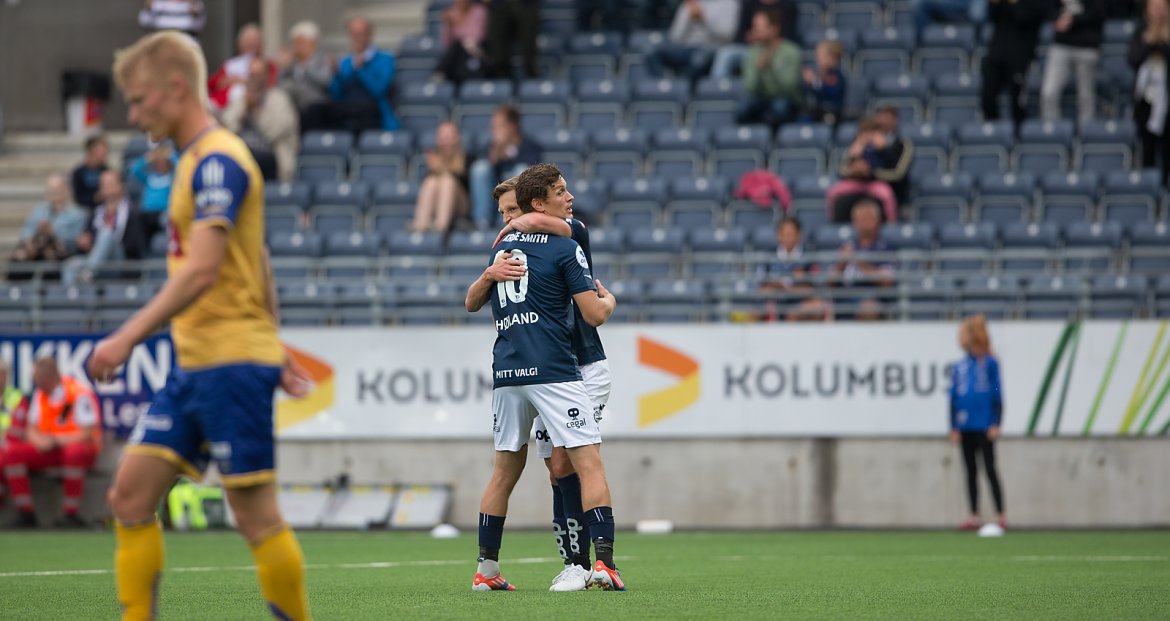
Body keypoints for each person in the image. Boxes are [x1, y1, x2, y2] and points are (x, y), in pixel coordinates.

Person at [90, 31, 311, 620]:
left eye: (139, 101)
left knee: (254, 515)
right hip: (199, 360)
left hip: (229, 360)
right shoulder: (194, 160)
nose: (133, 115)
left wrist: (124, 336)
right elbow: (256, 259)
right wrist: (276, 340)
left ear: (175, 88)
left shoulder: (218, 158)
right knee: (130, 495)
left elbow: (205, 270)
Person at [464, 163, 623, 592]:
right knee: (570, 466)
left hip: (555, 368)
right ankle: (589, 563)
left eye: (511, 210)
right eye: (501, 214)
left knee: (546, 465)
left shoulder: (544, 240)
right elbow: (472, 300)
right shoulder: (531, 252)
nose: (506, 221)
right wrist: (610, 303)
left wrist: (522, 226)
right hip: (554, 368)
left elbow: (552, 223)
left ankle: (555, 564)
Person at [0, 357, 101, 529]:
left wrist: (59, 440)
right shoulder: (40, 395)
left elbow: (88, 431)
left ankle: (71, 514)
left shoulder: (76, 392)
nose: (34, 381)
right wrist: (37, 440)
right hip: (50, 448)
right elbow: (30, 427)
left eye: (37, 377)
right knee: (11, 453)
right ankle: (26, 513)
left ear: (50, 377)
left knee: (73, 453)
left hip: (78, 448)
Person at [949, 314, 1006, 531]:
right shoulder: (960, 366)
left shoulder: (990, 363)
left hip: (985, 425)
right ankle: (974, 514)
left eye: (962, 333)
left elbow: (998, 393)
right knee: (970, 470)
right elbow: (953, 398)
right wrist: (953, 426)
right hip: (965, 426)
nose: (959, 337)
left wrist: (996, 421)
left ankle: (1001, 514)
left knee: (990, 468)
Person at [304, 17, 399, 134]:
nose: (357, 38)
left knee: (364, 109)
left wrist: (361, 70)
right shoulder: (345, 62)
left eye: (360, 34)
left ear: (370, 35)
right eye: (354, 34)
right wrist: (337, 75)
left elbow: (379, 91)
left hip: (373, 109)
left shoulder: (385, 59)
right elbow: (336, 96)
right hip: (348, 108)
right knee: (314, 110)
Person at [63, 171, 148, 285]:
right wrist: (84, 242)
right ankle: (71, 298)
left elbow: (134, 246)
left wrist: (104, 244)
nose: (108, 188)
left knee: (106, 234)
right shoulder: (95, 213)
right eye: (104, 185)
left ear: (122, 187)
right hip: (96, 261)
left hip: (121, 263)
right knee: (71, 265)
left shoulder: (133, 213)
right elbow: (87, 239)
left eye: (112, 184)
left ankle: (88, 273)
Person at [223, 57, 300, 182]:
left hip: (272, 159)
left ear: (267, 77)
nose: (254, 79)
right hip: (241, 157)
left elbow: (273, 132)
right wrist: (244, 112)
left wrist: (257, 111)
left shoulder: (280, 99)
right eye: (251, 75)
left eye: (258, 75)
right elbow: (226, 130)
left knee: (247, 158)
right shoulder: (242, 101)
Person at [469, 105, 543, 230]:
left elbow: (532, 169)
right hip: (493, 196)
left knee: (520, 171)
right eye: (493, 127)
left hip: (517, 200)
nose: (494, 131)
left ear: (512, 126)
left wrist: (510, 154)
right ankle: (482, 222)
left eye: (499, 126)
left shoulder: (529, 144)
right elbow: (483, 167)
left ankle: (506, 221)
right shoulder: (489, 145)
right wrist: (495, 156)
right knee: (480, 168)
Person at [980, 0, 1047, 129]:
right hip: (996, 54)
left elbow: (1024, 18)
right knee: (987, 99)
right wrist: (994, 4)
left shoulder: (1035, 3)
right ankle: (995, 131)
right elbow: (993, 17)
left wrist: (1014, 3)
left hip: (1020, 56)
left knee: (1017, 102)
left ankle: (1018, 136)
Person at [825, 117, 902, 224]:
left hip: (873, 182)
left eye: (872, 132)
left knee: (887, 195)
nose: (868, 136)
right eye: (865, 132)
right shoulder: (857, 146)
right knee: (832, 192)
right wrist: (855, 153)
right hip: (855, 182)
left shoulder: (882, 148)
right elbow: (844, 168)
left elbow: (886, 167)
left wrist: (871, 168)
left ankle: (892, 224)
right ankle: (832, 224)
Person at [1040, 0, 1105, 124]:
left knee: (1086, 98)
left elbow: (1098, 12)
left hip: (1087, 45)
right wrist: (1057, 19)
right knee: (1048, 93)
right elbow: (1049, 8)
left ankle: (1086, 136)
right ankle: (1054, 133)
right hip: (1061, 44)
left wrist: (1073, 20)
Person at [646, 0, 740, 84]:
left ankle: (685, 92)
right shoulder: (691, 2)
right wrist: (688, 17)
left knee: (698, 60)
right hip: (685, 48)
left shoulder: (729, 3)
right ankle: (666, 88)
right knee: (651, 51)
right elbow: (675, 37)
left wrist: (703, 19)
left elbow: (727, 36)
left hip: (711, 48)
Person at [831, 199, 895, 321]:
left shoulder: (885, 248)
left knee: (869, 308)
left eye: (867, 218)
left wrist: (856, 261)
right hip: (845, 295)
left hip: (872, 295)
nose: (863, 223)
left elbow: (886, 282)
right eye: (859, 219)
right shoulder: (847, 246)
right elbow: (830, 283)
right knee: (816, 308)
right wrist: (841, 264)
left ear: (877, 221)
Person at [737, 9, 802, 128]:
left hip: (785, 98)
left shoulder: (791, 51)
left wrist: (772, 69)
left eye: (761, 26)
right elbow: (750, 86)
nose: (756, 30)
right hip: (761, 97)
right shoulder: (753, 52)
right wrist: (758, 70)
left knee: (780, 107)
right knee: (743, 108)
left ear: (775, 28)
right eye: (755, 26)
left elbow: (790, 86)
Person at [1130, 0, 1170, 186]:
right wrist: (1149, 44)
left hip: (1167, 98)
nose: (1157, 11)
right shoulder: (1141, 32)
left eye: (1161, 7)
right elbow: (1133, 58)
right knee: (1147, 147)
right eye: (1154, 7)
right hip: (1146, 100)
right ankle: (1148, 187)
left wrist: (1161, 45)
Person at [758, 217, 829, 322]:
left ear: (798, 235)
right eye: (783, 234)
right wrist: (783, 285)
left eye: (790, 234)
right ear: (778, 235)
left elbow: (815, 288)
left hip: (801, 302)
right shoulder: (769, 256)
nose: (787, 238)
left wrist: (796, 283)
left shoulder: (809, 255)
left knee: (811, 309)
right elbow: (762, 287)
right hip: (774, 302)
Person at [10, 174, 89, 266]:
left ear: (67, 190)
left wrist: (52, 232)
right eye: (52, 189)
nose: (55, 192)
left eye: (58, 189)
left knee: (48, 248)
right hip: (35, 251)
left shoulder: (78, 214)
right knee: (24, 252)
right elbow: (26, 232)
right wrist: (33, 238)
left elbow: (76, 240)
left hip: (61, 254)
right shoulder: (38, 211)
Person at [711, 0, 797, 79]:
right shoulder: (749, 3)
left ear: (775, 28)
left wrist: (767, 40)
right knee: (727, 54)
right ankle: (717, 91)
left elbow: (789, 37)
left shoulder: (788, 5)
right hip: (751, 49)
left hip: (777, 50)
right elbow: (740, 35)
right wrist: (751, 37)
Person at [412, 122, 469, 233]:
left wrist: (442, 169)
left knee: (447, 181)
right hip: (436, 205)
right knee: (431, 182)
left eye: (450, 137)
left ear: (457, 138)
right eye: (443, 138)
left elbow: (465, 182)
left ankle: (439, 230)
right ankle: (420, 227)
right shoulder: (434, 161)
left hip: (462, 206)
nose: (447, 142)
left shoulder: (467, 158)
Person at [208, 23, 276, 110]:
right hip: (221, 107)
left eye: (255, 40)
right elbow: (212, 84)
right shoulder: (231, 64)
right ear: (240, 44)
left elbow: (270, 84)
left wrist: (243, 82)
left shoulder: (268, 64)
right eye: (248, 40)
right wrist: (224, 81)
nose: (252, 44)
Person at [277, 21, 334, 118]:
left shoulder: (323, 59)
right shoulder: (292, 63)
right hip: (295, 108)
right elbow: (280, 85)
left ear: (312, 43)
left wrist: (305, 67)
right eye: (295, 43)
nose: (296, 47)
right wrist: (285, 68)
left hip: (317, 108)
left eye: (300, 42)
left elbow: (326, 81)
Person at [128, 142, 178, 240]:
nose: (161, 164)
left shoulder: (172, 177)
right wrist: (148, 158)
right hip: (147, 213)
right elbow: (134, 170)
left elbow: (181, 166)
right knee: (136, 225)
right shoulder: (149, 177)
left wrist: (170, 155)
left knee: (168, 222)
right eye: (158, 162)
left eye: (163, 161)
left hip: (164, 212)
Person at [435, 0, 489, 85]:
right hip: (459, 56)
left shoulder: (479, 11)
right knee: (456, 48)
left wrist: (460, 24)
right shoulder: (451, 14)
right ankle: (442, 75)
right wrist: (448, 26)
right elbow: (446, 44)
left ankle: (440, 71)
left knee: (459, 46)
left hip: (476, 51)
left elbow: (478, 35)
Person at [486, 0, 540, 79]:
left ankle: (532, 84)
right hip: (500, 4)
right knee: (498, 53)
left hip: (526, 4)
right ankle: (501, 82)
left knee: (529, 51)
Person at [802, 40, 846, 126]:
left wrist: (813, 81)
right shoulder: (818, 74)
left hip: (832, 112)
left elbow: (831, 92)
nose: (817, 59)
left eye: (821, 56)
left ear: (832, 58)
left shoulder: (836, 75)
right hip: (816, 111)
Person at [71, 134, 109, 212]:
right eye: (101, 151)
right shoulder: (79, 172)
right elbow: (77, 196)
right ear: (91, 151)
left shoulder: (107, 171)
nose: (105, 154)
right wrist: (94, 198)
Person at [910, 0, 987, 35]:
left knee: (977, 14)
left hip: (970, 4)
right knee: (916, 3)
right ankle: (918, 49)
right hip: (942, 4)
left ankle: (976, 47)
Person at [138, 0, 206, 35]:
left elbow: (199, 26)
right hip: (162, 45)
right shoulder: (157, 3)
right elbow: (144, 22)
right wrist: (149, 8)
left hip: (186, 45)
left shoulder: (192, 4)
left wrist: (194, 13)